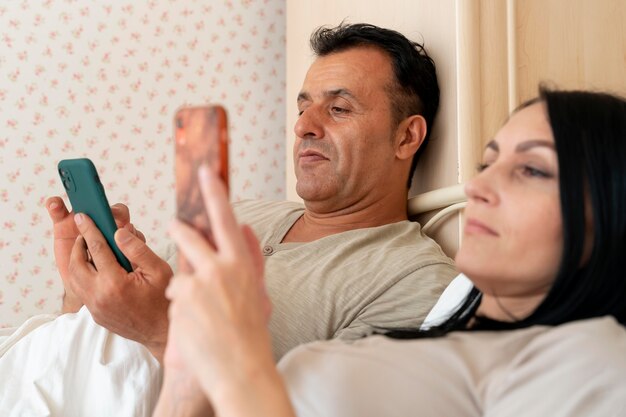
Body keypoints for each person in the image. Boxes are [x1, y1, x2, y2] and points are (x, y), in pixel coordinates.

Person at [0, 23, 456, 416]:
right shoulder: (240, 214)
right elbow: (99, 350)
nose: (303, 126)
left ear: (406, 136)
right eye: (303, 108)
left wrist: (163, 331)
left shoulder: (413, 282)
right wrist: (81, 295)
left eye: (338, 109)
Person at [154, 88, 626, 416]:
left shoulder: (595, 359)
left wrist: (242, 363)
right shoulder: (445, 341)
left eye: (532, 171)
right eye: (487, 163)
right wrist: (188, 371)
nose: (477, 186)